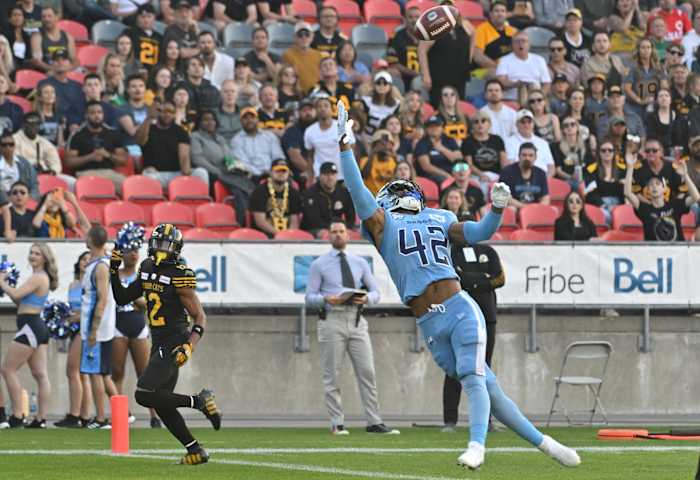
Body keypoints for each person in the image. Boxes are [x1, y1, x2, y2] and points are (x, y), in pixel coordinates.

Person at [335, 100, 579, 469]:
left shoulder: (439, 216)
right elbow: (356, 191)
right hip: (429, 322)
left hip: (459, 307)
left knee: (472, 376)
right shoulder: (384, 225)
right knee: (488, 388)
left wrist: (496, 210)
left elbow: (480, 232)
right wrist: (345, 147)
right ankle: (548, 445)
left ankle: (477, 446)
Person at [110, 223, 221, 464]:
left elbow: (200, 316)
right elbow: (122, 297)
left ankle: (198, 401)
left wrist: (189, 345)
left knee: (143, 394)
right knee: (161, 401)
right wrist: (113, 270)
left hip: (175, 339)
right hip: (158, 340)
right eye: (158, 243)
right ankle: (194, 450)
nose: (160, 249)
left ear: (176, 249)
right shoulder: (147, 267)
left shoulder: (180, 273)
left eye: (166, 245)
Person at [305, 220, 398, 435]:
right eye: (334, 232)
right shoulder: (319, 264)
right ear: (328, 236)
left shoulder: (360, 263)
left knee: (367, 372)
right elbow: (309, 297)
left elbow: (376, 292)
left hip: (356, 319)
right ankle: (337, 422)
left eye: (341, 231)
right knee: (332, 375)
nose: (338, 235)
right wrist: (327, 299)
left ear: (348, 235)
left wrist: (366, 298)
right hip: (332, 318)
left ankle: (374, 421)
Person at [443, 239, 505, 432]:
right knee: (454, 368)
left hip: (487, 317)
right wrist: (482, 279)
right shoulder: (452, 253)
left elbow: (500, 278)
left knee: (484, 369)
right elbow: (454, 278)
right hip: (460, 317)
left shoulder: (488, 251)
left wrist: (472, 281)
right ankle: (449, 421)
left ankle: (486, 420)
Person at [0, 243, 56, 428]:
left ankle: (17, 415)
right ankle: (40, 419)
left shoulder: (39, 277)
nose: (32, 256)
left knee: (8, 370)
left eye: (37, 254)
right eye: (31, 253)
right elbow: (18, 299)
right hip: (35, 326)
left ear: (44, 258)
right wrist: (7, 285)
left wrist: (1, 281)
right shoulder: (37, 277)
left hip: (31, 326)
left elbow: (15, 293)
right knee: (40, 374)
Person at [111, 233, 161, 428]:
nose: (133, 254)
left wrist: (127, 295)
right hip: (118, 323)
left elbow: (147, 303)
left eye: (136, 250)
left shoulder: (144, 275)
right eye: (129, 250)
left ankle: (154, 415)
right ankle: (122, 412)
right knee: (117, 372)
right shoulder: (115, 275)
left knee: (145, 372)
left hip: (137, 323)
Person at [79, 226, 119, 429]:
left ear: (92, 240)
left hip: (99, 330)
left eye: (87, 235)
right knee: (100, 373)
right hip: (95, 328)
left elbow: (102, 300)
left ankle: (104, 417)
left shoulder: (101, 267)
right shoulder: (97, 264)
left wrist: (93, 330)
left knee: (97, 373)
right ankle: (117, 414)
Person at [54, 251, 94, 428]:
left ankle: (74, 414)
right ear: (78, 263)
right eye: (83, 259)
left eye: (89, 259)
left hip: (84, 330)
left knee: (72, 371)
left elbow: (90, 311)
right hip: (73, 329)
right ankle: (85, 416)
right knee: (81, 374)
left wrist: (74, 318)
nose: (86, 262)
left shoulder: (92, 283)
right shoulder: (73, 285)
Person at [625, 148, 700, 240]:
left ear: (664, 188)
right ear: (647, 190)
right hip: (653, 252)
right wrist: (630, 167)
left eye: (657, 184)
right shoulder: (644, 208)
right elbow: (628, 193)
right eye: (651, 185)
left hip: (678, 251)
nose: (654, 187)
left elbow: (696, 197)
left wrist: (685, 175)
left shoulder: (675, 205)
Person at [136, 99, 209, 189]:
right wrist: (148, 118)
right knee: (149, 176)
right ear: (158, 112)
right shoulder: (149, 128)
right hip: (156, 174)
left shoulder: (180, 131)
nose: (168, 114)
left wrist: (186, 172)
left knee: (201, 173)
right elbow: (139, 141)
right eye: (165, 111)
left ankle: (201, 201)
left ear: (175, 114)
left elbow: (184, 155)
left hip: (176, 174)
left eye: (171, 112)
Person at [65, 101, 129, 192]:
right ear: (86, 115)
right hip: (85, 173)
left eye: (99, 112)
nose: (97, 116)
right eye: (93, 113)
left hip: (109, 173)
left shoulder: (112, 133)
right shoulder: (77, 135)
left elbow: (123, 160)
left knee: (129, 187)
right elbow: (69, 162)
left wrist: (108, 155)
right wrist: (90, 157)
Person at [418, 16, 475, 107]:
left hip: (460, 75)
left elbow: (473, 35)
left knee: (458, 106)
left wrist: (469, 59)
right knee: (440, 106)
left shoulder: (464, 24)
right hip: (439, 77)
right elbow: (421, 50)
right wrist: (426, 74)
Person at [250, 158, 303, 236]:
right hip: (264, 236)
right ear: (271, 172)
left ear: (288, 173)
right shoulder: (259, 192)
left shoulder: (293, 193)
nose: (281, 173)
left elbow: (294, 221)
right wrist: (279, 234)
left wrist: (289, 235)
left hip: (288, 237)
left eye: (284, 171)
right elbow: (260, 221)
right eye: (277, 170)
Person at [301, 161, 355, 237]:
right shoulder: (310, 194)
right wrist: (335, 228)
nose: (330, 178)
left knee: (352, 233)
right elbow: (314, 221)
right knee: (325, 234)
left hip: (337, 228)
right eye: (326, 174)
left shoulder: (344, 192)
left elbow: (351, 218)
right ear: (319, 176)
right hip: (314, 230)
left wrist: (346, 228)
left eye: (333, 174)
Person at [495, 30, 551, 104]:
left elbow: (547, 83)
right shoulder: (504, 60)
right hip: (512, 100)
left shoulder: (539, 60)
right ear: (512, 45)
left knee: (533, 87)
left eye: (523, 41)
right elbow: (501, 81)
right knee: (522, 87)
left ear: (529, 44)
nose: (520, 44)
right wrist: (516, 84)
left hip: (535, 99)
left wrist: (539, 96)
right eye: (517, 41)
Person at [231, 105, 284, 179]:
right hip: (251, 177)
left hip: (274, 174)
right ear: (241, 122)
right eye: (245, 118)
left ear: (258, 119)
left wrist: (273, 171)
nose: (249, 120)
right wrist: (261, 173)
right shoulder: (236, 140)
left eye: (252, 117)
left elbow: (278, 156)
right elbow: (243, 163)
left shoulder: (269, 136)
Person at [461, 111, 508, 191]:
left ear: (489, 124)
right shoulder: (467, 142)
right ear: (472, 125)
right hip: (476, 175)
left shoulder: (497, 140)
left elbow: (503, 161)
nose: (480, 124)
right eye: (476, 122)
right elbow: (469, 164)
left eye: (483, 121)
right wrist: (481, 175)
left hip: (496, 174)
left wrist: (504, 176)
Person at [623, 38, 667, 118]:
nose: (646, 50)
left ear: (652, 49)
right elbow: (627, 88)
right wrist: (639, 100)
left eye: (648, 47)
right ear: (638, 50)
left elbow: (664, 87)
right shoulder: (631, 67)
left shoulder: (659, 67)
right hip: (634, 106)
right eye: (643, 47)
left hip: (654, 104)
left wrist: (657, 100)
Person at [584, 140, 625, 223]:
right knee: (606, 215)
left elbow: (625, 192)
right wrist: (605, 206)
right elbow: (591, 194)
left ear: (614, 153)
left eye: (610, 150)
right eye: (603, 150)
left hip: (620, 204)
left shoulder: (622, 170)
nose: (607, 152)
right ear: (599, 153)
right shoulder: (591, 170)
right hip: (600, 205)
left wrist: (619, 207)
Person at [499, 142, 551, 210]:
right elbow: (505, 197)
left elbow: (545, 198)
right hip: (516, 207)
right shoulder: (507, 172)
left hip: (535, 209)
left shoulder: (541, 173)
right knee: (511, 209)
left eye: (530, 155)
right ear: (519, 156)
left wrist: (536, 209)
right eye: (524, 155)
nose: (527, 158)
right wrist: (526, 208)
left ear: (535, 157)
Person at [415, 115, 463, 185]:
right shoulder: (422, 143)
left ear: (442, 128)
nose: (434, 128)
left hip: (454, 173)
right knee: (443, 180)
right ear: (427, 129)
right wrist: (445, 175)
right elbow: (426, 166)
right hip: (433, 176)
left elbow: (459, 159)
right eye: (431, 126)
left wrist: (442, 149)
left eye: (436, 126)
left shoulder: (449, 140)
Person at [505, 110, 554, 176]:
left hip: (541, 178)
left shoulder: (543, 143)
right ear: (516, 124)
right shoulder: (508, 142)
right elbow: (508, 165)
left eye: (529, 122)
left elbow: (551, 167)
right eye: (523, 122)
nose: (526, 125)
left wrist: (545, 180)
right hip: (518, 179)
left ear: (533, 124)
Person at [30, 6, 78, 73]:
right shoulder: (37, 37)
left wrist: (67, 69)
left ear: (56, 17)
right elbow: (38, 62)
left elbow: (74, 60)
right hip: (48, 72)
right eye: (43, 17)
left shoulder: (67, 36)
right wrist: (56, 69)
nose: (46, 19)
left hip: (66, 71)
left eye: (49, 16)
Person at [304, 95, 341, 181]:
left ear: (332, 109)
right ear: (315, 110)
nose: (323, 109)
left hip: (341, 176)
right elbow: (310, 156)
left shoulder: (342, 127)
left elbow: (352, 152)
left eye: (326, 106)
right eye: (319, 106)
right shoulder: (309, 131)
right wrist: (310, 177)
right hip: (320, 176)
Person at [551, 117, 593, 188]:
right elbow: (558, 170)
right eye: (566, 125)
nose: (569, 127)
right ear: (563, 130)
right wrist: (571, 177)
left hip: (584, 181)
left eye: (572, 124)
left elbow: (591, 166)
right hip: (565, 181)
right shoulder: (556, 147)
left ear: (577, 128)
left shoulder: (586, 145)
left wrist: (585, 178)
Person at [387, 5, 421, 91]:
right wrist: (415, 74)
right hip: (404, 77)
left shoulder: (429, 37)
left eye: (417, 17)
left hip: (426, 78)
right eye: (410, 17)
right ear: (405, 20)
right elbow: (393, 63)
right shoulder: (396, 37)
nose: (414, 20)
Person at [474, 0, 516, 67]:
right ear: (490, 14)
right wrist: (498, 68)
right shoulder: (481, 30)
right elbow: (478, 57)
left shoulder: (512, 31)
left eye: (503, 11)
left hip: (509, 70)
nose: (500, 14)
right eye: (496, 11)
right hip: (485, 70)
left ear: (507, 14)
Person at [283, 22, 322, 93]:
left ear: (312, 36)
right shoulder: (288, 55)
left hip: (317, 92)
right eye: (300, 35)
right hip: (298, 94)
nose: (304, 38)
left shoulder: (318, 55)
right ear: (295, 37)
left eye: (307, 34)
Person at [359, 129, 399, 195]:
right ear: (375, 145)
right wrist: (373, 152)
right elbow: (364, 175)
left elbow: (396, 179)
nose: (385, 146)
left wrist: (394, 156)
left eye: (389, 144)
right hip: (371, 197)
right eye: (382, 143)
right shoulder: (365, 160)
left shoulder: (393, 161)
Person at [0, 131, 39, 198]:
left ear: (14, 146)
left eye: (11, 144)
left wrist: (30, 197)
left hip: (24, 201)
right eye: (4, 145)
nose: (8, 147)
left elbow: (34, 184)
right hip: (3, 203)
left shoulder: (23, 162)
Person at [126, 4, 162, 72]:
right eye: (142, 17)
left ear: (154, 18)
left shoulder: (160, 37)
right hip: (135, 71)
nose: (146, 20)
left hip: (155, 73)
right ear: (137, 18)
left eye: (149, 16)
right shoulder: (129, 33)